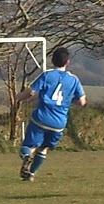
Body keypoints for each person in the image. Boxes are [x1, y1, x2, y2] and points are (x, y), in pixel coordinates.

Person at [16, 46, 86, 182]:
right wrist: (68, 101)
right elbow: (82, 102)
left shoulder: (47, 75)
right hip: (59, 122)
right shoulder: (74, 80)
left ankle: (26, 157)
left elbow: (31, 92)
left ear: (53, 61)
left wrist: (18, 97)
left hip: (41, 117)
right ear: (67, 62)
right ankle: (31, 175)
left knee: (28, 146)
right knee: (43, 149)